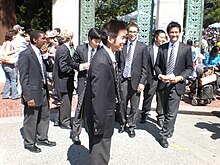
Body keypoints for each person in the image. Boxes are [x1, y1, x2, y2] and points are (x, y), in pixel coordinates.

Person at [83, 20, 127, 165]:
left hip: (104, 117)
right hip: (101, 120)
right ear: (110, 39)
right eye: (122, 37)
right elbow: (98, 98)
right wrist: (99, 125)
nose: (124, 41)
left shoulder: (107, 56)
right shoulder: (102, 62)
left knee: (100, 154)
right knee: (100, 157)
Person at [154, 21, 193, 148]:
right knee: (165, 110)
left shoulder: (186, 49)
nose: (174, 34)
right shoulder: (162, 48)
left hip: (177, 84)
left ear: (180, 33)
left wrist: (180, 77)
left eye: (176, 32)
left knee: (171, 112)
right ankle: (169, 129)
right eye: (172, 32)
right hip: (163, 84)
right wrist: (160, 76)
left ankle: (163, 135)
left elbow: (189, 68)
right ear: (168, 33)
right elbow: (157, 66)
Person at [17, 30, 56, 153]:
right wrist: (28, 96)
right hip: (32, 92)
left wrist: (45, 56)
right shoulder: (25, 54)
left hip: (43, 89)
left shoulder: (40, 52)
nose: (46, 40)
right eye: (43, 38)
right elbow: (24, 77)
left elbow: (49, 67)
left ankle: (42, 137)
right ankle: (29, 142)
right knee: (31, 117)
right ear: (35, 40)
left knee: (44, 115)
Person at [70, 28, 101, 145]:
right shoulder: (80, 49)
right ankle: (75, 133)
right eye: (95, 41)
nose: (97, 44)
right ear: (89, 39)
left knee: (94, 108)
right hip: (83, 82)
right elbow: (72, 63)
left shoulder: (101, 49)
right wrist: (82, 66)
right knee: (80, 108)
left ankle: (92, 130)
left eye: (99, 41)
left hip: (96, 83)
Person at [118, 22, 148, 138]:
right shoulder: (122, 45)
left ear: (138, 33)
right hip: (124, 79)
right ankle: (122, 123)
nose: (132, 34)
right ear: (127, 32)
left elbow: (145, 68)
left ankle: (131, 126)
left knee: (134, 106)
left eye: (134, 32)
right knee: (122, 103)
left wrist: (142, 82)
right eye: (130, 31)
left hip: (136, 81)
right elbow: (118, 63)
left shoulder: (142, 47)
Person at [140, 29, 166, 127]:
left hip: (162, 78)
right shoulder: (148, 49)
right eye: (161, 37)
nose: (163, 39)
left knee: (161, 98)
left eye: (164, 37)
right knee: (148, 97)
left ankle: (160, 117)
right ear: (155, 38)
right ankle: (144, 113)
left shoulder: (166, 49)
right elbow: (145, 64)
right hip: (151, 77)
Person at [53, 30, 75, 129]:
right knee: (66, 102)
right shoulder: (64, 49)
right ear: (69, 38)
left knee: (63, 101)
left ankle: (58, 120)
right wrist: (73, 68)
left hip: (61, 80)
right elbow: (63, 67)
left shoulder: (61, 48)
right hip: (64, 81)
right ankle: (65, 122)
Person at [1, 30, 19, 100]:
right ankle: (14, 95)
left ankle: (5, 94)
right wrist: (16, 50)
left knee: (8, 79)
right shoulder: (9, 43)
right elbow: (7, 53)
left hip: (4, 63)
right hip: (9, 63)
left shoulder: (4, 43)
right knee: (13, 79)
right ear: (11, 36)